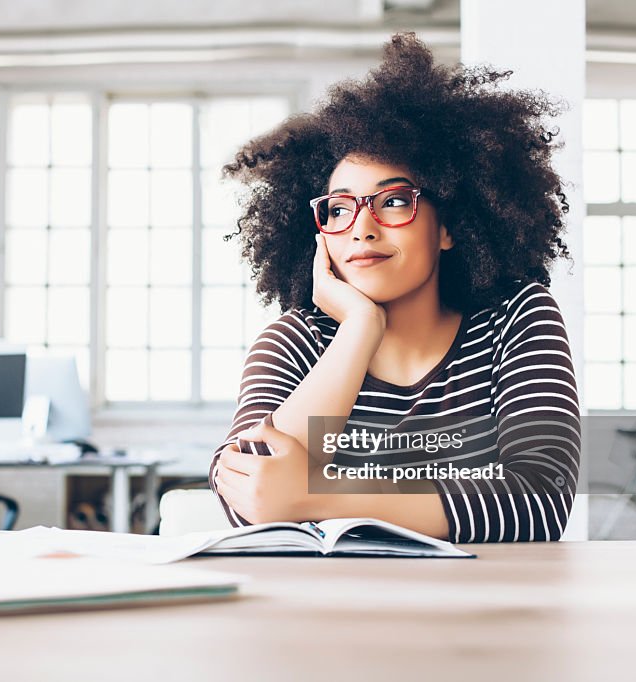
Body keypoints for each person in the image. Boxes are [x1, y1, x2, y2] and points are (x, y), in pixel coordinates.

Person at [209, 33, 580, 543]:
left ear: (448, 226)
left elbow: (541, 499)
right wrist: (360, 328)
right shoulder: (293, 342)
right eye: (338, 209)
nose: (362, 228)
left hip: (488, 611)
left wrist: (314, 498)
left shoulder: (517, 319)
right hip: (325, 613)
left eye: (393, 201)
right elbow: (247, 494)